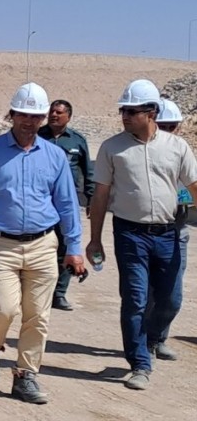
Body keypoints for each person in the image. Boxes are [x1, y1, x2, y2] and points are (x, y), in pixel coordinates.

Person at [0, 82, 84, 405]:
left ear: (43, 118)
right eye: (23, 115)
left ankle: (25, 375)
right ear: (12, 115)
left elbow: (67, 204)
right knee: (4, 308)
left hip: (43, 244)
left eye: (36, 116)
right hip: (0, 244)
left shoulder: (55, 156)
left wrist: (74, 248)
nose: (29, 122)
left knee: (38, 316)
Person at [86, 81, 197, 391]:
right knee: (135, 299)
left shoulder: (177, 147)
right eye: (123, 110)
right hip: (130, 235)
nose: (125, 116)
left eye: (132, 111)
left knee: (170, 299)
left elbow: (194, 186)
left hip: (168, 234)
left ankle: (152, 339)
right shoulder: (112, 148)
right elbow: (100, 196)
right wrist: (95, 239)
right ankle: (140, 363)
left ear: (152, 113)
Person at [147, 98, 192, 361]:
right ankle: (142, 343)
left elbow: (190, 189)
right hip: (142, 233)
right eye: (163, 126)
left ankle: (157, 337)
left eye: (172, 127)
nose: (168, 132)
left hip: (176, 232)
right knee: (146, 294)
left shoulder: (182, 152)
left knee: (171, 296)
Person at [38, 99, 93, 311]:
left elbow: (88, 171)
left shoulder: (77, 141)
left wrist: (91, 198)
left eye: (59, 113)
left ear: (68, 117)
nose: (54, 115)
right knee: (40, 246)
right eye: (52, 111)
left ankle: (59, 293)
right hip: (41, 201)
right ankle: (39, 291)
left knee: (66, 246)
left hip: (67, 203)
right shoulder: (37, 136)